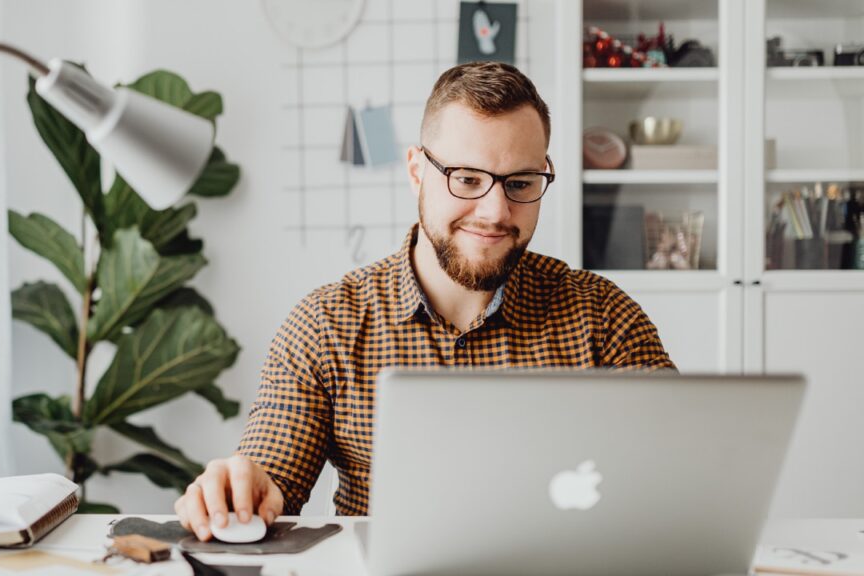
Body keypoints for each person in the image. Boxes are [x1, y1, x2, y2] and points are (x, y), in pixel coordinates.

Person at [175, 61, 675, 541]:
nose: (496, 211)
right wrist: (242, 491)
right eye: (467, 179)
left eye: (521, 183)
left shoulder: (604, 317)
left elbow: (682, 472)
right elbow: (271, 479)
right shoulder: (327, 323)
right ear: (417, 170)